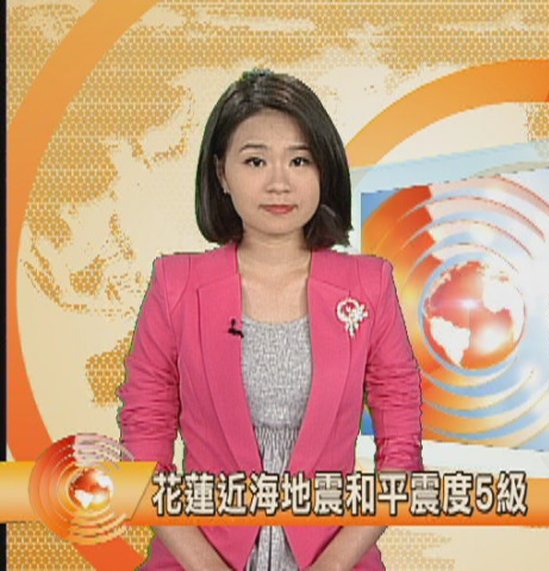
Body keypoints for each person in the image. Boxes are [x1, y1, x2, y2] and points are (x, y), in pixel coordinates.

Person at [118, 69, 423, 571]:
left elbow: (402, 454)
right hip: (196, 559)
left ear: (323, 169)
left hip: (337, 559)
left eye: (299, 160)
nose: (279, 182)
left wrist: (331, 566)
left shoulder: (370, 286)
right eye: (255, 160)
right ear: (221, 173)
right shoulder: (176, 286)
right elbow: (144, 451)